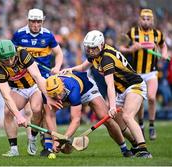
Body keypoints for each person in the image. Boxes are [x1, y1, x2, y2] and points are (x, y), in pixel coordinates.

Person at [61, 30, 152, 158]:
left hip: (134, 85)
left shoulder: (106, 59)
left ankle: (144, 150)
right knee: (118, 123)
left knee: (127, 116)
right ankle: (135, 145)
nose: (90, 51)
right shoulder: (95, 54)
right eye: (88, 48)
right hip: (121, 90)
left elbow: (109, 85)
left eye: (93, 48)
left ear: (101, 45)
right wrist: (70, 69)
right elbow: (83, 67)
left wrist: (112, 106)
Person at [11, 8, 63, 156]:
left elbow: (59, 53)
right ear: (28, 20)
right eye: (33, 21)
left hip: (44, 77)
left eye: (38, 21)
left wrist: (57, 67)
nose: (35, 24)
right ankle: (33, 138)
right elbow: (13, 55)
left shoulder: (48, 35)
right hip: (25, 77)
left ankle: (46, 144)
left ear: (42, 21)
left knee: (46, 110)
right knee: (29, 110)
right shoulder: (19, 34)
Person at [45, 71, 133, 157]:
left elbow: (76, 120)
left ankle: (124, 149)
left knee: (107, 119)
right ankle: (48, 144)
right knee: (46, 111)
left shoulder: (73, 88)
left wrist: (64, 138)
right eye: (54, 95)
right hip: (68, 95)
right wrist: (55, 141)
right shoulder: (46, 91)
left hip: (87, 90)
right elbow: (50, 116)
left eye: (59, 93)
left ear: (63, 85)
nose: (58, 97)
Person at [0, 40, 50, 157]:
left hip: (34, 86)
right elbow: (6, 95)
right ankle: (14, 149)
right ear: (0, 57)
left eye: (11, 58)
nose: (9, 62)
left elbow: (37, 76)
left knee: (36, 109)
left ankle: (32, 138)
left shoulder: (22, 54)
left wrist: (48, 97)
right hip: (18, 90)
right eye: (5, 59)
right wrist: (18, 116)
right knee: (8, 112)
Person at [119, 8, 168, 140]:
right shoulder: (133, 33)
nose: (146, 21)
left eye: (148, 19)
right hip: (136, 74)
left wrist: (164, 54)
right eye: (143, 18)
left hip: (151, 72)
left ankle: (151, 125)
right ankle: (140, 124)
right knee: (139, 102)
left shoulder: (158, 34)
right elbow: (121, 48)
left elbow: (163, 46)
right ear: (140, 19)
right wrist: (130, 49)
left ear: (152, 20)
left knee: (151, 98)